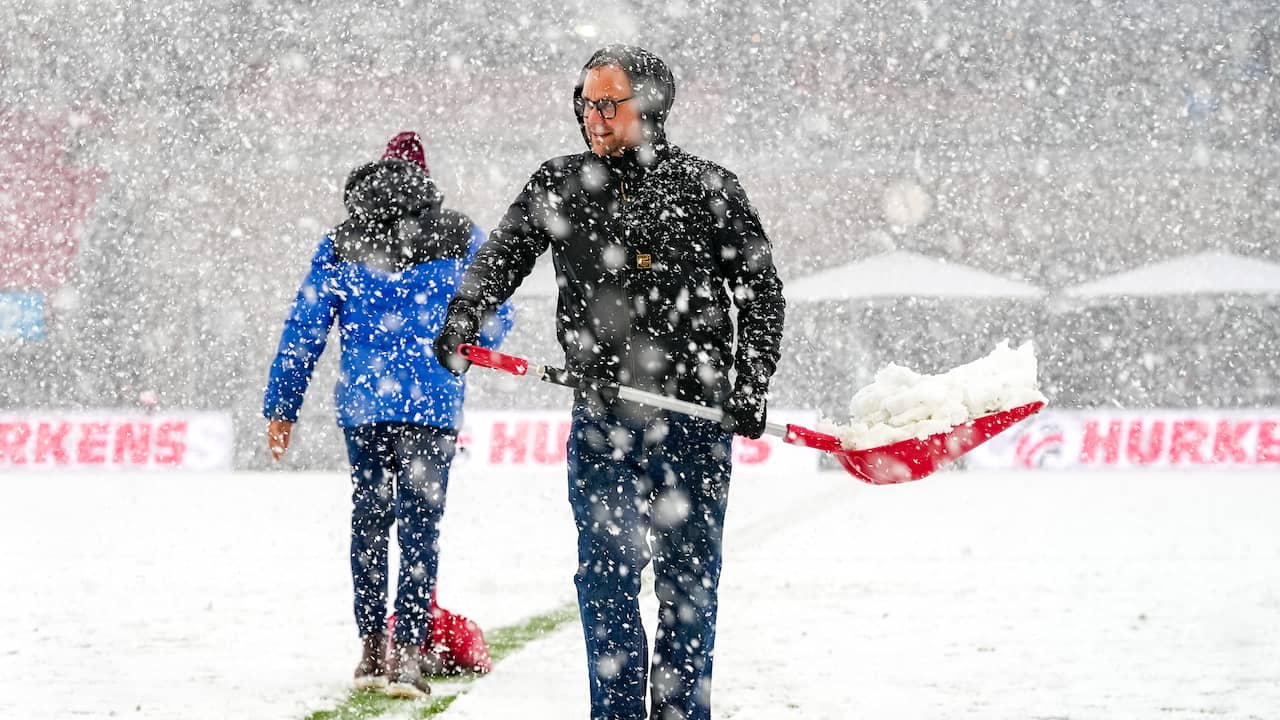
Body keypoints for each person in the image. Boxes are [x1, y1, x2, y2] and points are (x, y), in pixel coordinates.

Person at [434, 46, 785, 720]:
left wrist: (750, 379)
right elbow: (501, 258)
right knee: (606, 579)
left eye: (608, 103)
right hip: (602, 419)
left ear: (649, 106)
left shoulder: (708, 188)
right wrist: (463, 316)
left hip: (693, 421)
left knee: (688, 586)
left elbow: (760, 292)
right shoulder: (559, 184)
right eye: (585, 101)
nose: (592, 116)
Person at [263, 131, 513, 698]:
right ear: (424, 181)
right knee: (421, 527)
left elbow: (305, 327)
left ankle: (372, 650)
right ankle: (410, 657)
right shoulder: (458, 232)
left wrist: (283, 405)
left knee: (370, 521)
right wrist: (467, 340)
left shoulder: (341, 240)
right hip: (431, 401)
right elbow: (496, 313)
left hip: (365, 404)